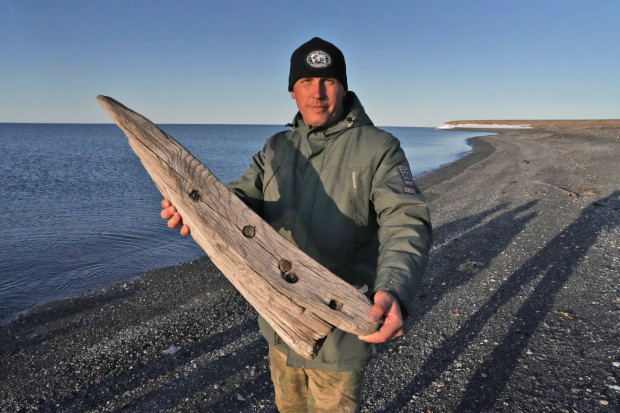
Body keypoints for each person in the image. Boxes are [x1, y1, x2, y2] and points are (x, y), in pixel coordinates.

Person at [161, 37, 432, 412]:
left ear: (343, 86)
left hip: (342, 328)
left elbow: (406, 222)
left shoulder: (379, 147)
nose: (317, 93)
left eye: (328, 81)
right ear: (292, 91)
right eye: (305, 82)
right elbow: (238, 200)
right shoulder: (276, 148)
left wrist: (395, 291)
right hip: (280, 323)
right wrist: (197, 209)